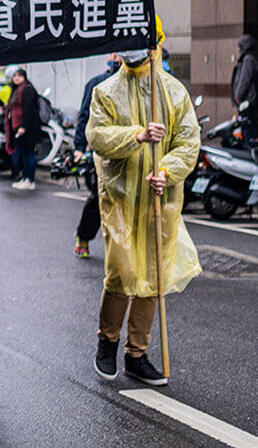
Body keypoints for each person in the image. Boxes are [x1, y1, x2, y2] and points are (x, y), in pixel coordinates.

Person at [87, 44, 201, 386]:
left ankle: (137, 354)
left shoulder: (174, 92)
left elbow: (188, 141)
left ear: (156, 44)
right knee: (120, 272)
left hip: (159, 201)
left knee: (153, 276)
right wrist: (136, 135)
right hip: (121, 200)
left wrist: (167, 171)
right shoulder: (104, 92)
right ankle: (107, 343)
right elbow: (97, 136)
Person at [72, 54, 121, 258]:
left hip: (129, 150)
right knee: (98, 199)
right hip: (100, 153)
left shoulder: (139, 83)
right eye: (114, 53)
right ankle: (83, 236)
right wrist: (79, 147)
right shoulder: (97, 83)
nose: (117, 57)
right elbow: (85, 115)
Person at [4, 68, 43, 191]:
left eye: (19, 76)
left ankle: (30, 180)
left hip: (27, 129)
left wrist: (23, 127)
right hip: (20, 127)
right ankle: (26, 178)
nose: (16, 78)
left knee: (28, 154)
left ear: (24, 77)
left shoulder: (27, 90)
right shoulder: (17, 90)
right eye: (14, 76)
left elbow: (28, 110)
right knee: (24, 154)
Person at [231, 34, 258, 145]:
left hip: (247, 100)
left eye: (239, 46)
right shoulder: (248, 59)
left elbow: (245, 79)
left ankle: (250, 148)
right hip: (248, 99)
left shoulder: (248, 60)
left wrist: (238, 95)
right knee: (246, 124)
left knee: (247, 125)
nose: (238, 49)